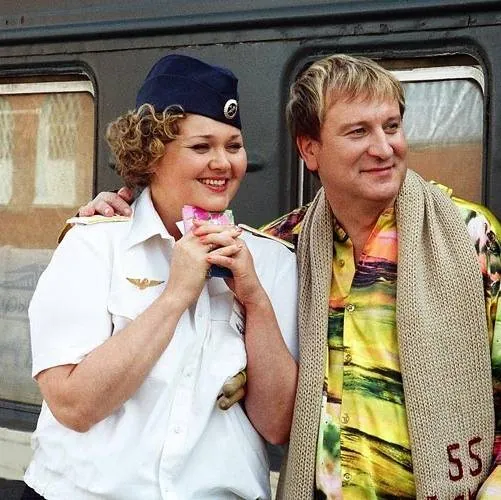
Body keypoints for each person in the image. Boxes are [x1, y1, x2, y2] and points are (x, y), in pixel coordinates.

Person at [84, 54, 501, 499]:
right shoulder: (281, 249)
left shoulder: (470, 238)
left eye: (392, 126)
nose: (384, 148)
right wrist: (116, 216)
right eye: (359, 132)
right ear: (310, 150)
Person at [23, 54, 298, 500]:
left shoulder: (270, 261)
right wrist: (174, 297)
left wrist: (255, 301)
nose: (223, 163)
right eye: (201, 147)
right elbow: (73, 405)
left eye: (233, 146)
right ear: (152, 155)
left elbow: (277, 426)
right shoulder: (95, 245)